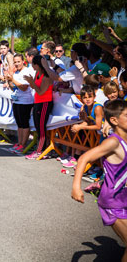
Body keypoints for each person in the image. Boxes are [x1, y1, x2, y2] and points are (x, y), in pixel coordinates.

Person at [72, 100, 127, 262]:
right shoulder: (113, 142)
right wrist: (76, 187)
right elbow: (84, 158)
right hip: (112, 202)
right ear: (115, 120)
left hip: (123, 198)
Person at [24, 56, 54, 159]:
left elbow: (41, 91)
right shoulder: (37, 74)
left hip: (45, 103)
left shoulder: (46, 77)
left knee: (41, 128)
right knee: (38, 127)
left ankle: (40, 151)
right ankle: (40, 149)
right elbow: (35, 88)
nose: (31, 66)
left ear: (37, 65)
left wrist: (32, 83)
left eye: (33, 64)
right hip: (38, 102)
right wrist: (31, 82)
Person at [6, 54, 34, 153]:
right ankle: (19, 143)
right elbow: (14, 87)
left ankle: (23, 144)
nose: (17, 64)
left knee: (24, 123)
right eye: (15, 62)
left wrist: (12, 79)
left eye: (18, 61)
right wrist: (9, 81)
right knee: (19, 123)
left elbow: (24, 87)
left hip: (26, 101)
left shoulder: (27, 71)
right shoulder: (16, 72)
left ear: (23, 61)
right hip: (17, 100)